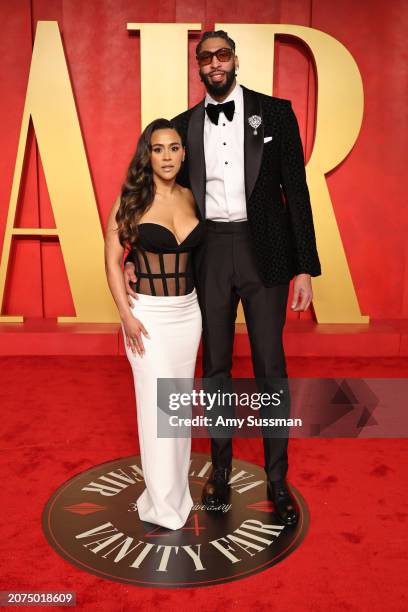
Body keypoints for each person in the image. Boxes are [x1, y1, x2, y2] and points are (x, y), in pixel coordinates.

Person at [124, 31, 322, 526]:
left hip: (266, 253)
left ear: (235, 59)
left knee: (270, 366)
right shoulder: (186, 124)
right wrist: (133, 255)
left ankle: (277, 480)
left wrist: (305, 266)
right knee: (214, 368)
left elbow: (295, 192)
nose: (214, 64)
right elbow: (159, 194)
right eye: (205, 57)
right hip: (209, 253)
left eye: (222, 55)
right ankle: (220, 470)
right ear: (198, 66)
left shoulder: (275, 112)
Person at [104, 118, 204, 530]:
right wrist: (126, 316)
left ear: (183, 153)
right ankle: (163, 508)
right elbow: (112, 258)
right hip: (147, 316)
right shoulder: (132, 198)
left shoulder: (193, 196)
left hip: (188, 313)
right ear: (148, 154)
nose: (167, 156)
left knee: (177, 410)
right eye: (159, 148)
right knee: (156, 410)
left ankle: (175, 495)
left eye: (174, 148)